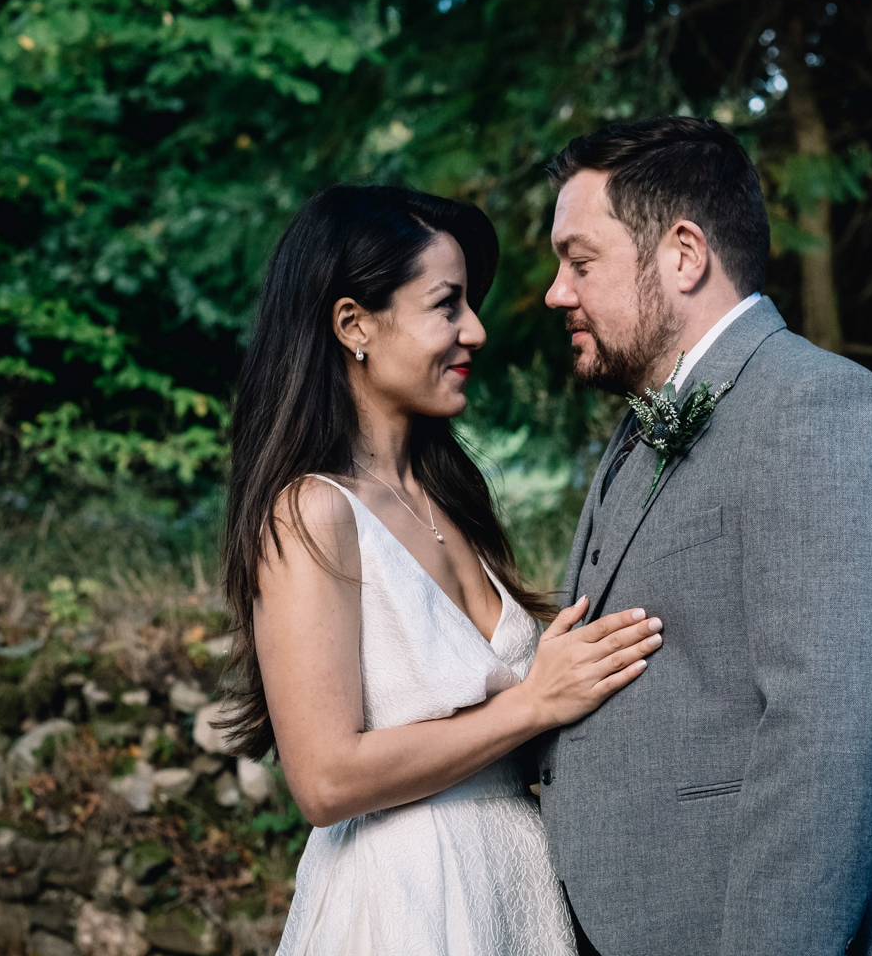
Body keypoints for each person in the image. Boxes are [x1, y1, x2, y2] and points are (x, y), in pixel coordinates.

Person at [539, 117, 872, 956]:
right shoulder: (638, 431)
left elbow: (829, 744)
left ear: (684, 255)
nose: (555, 291)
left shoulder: (822, 411)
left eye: (580, 261)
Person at [219, 185, 661, 956]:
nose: (476, 331)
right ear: (354, 323)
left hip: (515, 887)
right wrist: (532, 704)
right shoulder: (309, 512)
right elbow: (324, 781)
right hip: (407, 899)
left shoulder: (448, 496)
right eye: (447, 305)